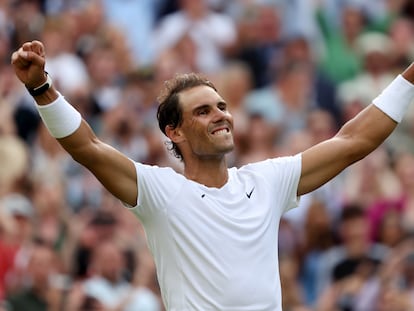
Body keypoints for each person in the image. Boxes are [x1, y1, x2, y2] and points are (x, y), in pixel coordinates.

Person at [10, 40, 414, 311]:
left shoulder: (267, 181)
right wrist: (42, 87)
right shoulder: (160, 191)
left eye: (221, 106)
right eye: (203, 111)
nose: (221, 114)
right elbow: (88, 147)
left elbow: (353, 141)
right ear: (174, 131)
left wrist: (410, 77)